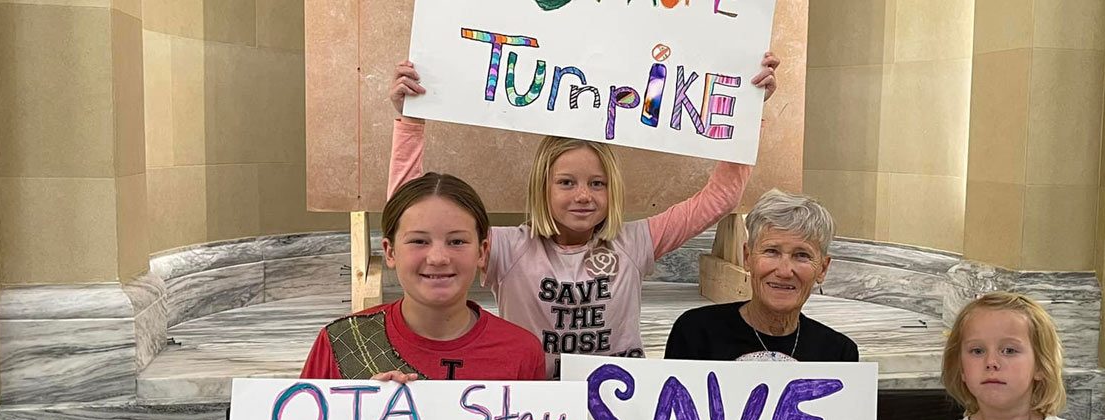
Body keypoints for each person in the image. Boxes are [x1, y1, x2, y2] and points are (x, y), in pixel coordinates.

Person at [386, 52, 780, 377]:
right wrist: (410, 122)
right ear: (543, 186)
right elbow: (411, 210)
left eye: (597, 184)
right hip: (536, 403)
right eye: (566, 183)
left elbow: (719, 198)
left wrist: (746, 115)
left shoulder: (634, 240)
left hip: (621, 398)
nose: (583, 196)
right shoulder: (506, 247)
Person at [298, 173, 546, 382]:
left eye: (457, 241)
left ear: (482, 253)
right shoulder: (342, 343)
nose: (438, 258)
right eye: (419, 241)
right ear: (390, 252)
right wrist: (360, 412)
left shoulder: (522, 351)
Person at [870, 291, 1071, 420]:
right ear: (962, 369)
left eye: (1009, 350)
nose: (991, 362)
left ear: (1041, 366)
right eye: (977, 351)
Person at [664, 189, 857, 362]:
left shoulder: (838, 354)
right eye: (772, 251)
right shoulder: (696, 333)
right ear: (747, 257)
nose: (784, 271)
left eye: (802, 255)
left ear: (822, 269)